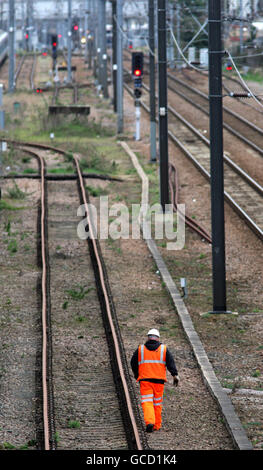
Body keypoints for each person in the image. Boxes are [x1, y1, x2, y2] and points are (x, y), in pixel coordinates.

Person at [130, 328, 179, 433]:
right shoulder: (164, 349)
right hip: (159, 381)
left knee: (147, 402)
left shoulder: (141, 349)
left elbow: (133, 362)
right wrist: (175, 375)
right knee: (157, 403)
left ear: (148, 337)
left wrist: (136, 374)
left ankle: (150, 423)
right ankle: (156, 425)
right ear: (158, 338)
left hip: (145, 380)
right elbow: (171, 362)